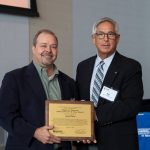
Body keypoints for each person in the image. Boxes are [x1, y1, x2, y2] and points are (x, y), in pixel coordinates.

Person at [0, 29, 76, 150]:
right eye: (43, 46)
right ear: (34, 48)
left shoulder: (69, 83)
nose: (49, 50)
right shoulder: (14, 78)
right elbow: (4, 115)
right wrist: (34, 132)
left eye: (53, 46)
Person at [75, 17, 143, 150]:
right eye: (100, 34)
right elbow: (78, 101)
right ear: (93, 38)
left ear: (117, 38)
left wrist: (94, 114)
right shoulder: (83, 67)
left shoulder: (130, 67)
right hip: (86, 141)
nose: (105, 39)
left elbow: (131, 104)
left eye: (110, 34)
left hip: (118, 142)